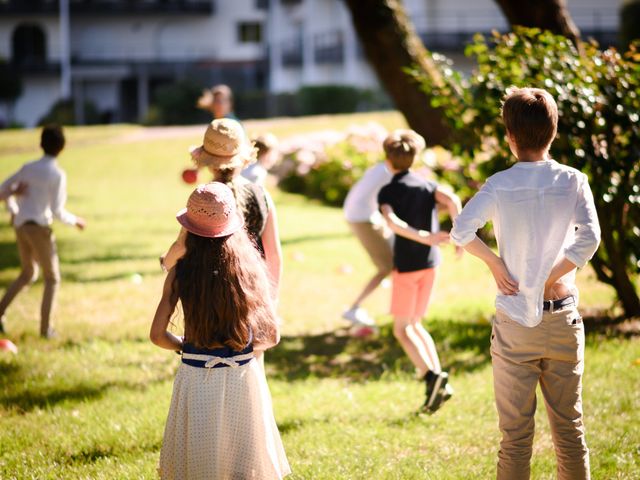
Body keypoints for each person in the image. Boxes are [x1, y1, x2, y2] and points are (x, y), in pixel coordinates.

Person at [450, 87, 600, 480]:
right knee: (569, 431)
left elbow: (462, 230)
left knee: (515, 437)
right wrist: (551, 275)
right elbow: (590, 238)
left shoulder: (499, 184)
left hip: (516, 322)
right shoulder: (573, 180)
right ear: (553, 132)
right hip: (564, 318)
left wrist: (496, 264)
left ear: (509, 136)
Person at [150, 182, 290, 479]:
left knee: (200, 458)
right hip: (242, 377)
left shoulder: (181, 271)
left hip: (197, 376)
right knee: (242, 458)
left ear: (189, 230)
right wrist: (240, 349)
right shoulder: (249, 269)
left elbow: (157, 335)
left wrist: (184, 345)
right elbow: (272, 335)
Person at [377, 129, 462, 414]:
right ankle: (440, 382)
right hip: (430, 265)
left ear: (389, 161)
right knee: (415, 323)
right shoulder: (428, 186)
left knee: (401, 329)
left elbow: (393, 222)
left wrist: (424, 235)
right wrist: (459, 235)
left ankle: (431, 376)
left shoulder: (388, 191)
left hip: (408, 267)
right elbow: (452, 200)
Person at [162, 119, 282, 300]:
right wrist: (271, 301)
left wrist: (165, 262)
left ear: (207, 160)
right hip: (252, 293)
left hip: (211, 296)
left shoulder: (206, 199)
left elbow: (181, 245)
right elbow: (273, 255)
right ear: (242, 157)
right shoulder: (262, 195)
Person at [0, 125, 86, 338]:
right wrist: (75, 221)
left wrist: (13, 197)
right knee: (52, 278)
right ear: (62, 148)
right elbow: (57, 210)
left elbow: (3, 190)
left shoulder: (28, 167)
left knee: (28, 273)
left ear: (41, 144)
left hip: (21, 226)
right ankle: (46, 329)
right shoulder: (56, 174)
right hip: (39, 228)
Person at [341, 161, 393, 327]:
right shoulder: (390, 172)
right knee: (387, 267)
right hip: (362, 218)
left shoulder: (380, 167)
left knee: (392, 259)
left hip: (363, 215)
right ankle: (354, 308)